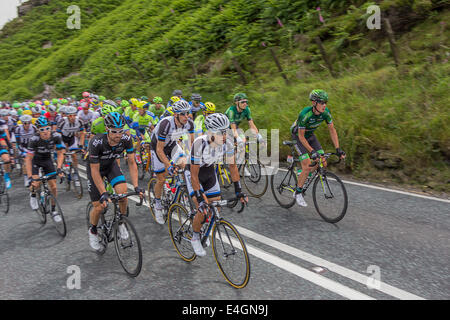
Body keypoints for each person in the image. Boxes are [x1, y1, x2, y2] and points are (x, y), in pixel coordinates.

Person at [187, 113, 247, 256]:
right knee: (203, 209)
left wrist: (239, 190)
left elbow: (232, 167)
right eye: (221, 133)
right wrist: (200, 198)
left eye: (226, 131)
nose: (225, 135)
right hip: (193, 174)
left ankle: (202, 227)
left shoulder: (228, 142)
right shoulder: (199, 144)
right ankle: (195, 237)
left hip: (208, 171)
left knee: (217, 207)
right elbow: (194, 175)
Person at [86, 112, 144, 251]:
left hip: (111, 166)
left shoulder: (126, 139)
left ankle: (122, 222)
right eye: (114, 131)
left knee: (123, 195)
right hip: (96, 170)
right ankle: (93, 231)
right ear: (106, 129)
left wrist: (136, 186)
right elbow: (95, 171)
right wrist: (104, 192)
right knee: (99, 206)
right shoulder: (96, 142)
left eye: (120, 130)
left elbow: (131, 162)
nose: (118, 134)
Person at [290, 89, 346, 207]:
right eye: (321, 102)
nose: (324, 105)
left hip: (310, 136)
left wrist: (338, 149)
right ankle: (298, 192)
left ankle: (304, 174)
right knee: (307, 164)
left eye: (325, 102)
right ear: (314, 103)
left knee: (323, 163)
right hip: (299, 137)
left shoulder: (325, 113)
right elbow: (301, 136)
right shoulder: (305, 114)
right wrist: (312, 151)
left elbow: (332, 130)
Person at [150, 100, 194, 224]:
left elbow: (192, 144)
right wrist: (168, 164)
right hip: (157, 148)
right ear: (176, 115)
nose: (187, 116)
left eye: (188, 113)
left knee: (185, 165)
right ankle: (157, 204)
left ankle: (182, 191)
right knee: (162, 179)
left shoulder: (189, 123)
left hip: (172, 145)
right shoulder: (166, 124)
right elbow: (159, 149)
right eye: (183, 114)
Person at [25, 116, 65, 221]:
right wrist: (30, 177)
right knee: (36, 183)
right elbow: (28, 159)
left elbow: (60, 153)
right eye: (42, 130)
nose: (45, 132)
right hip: (35, 161)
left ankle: (53, 210)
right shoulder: (34, 139)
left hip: (47, 160)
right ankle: (33, 195)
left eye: (47, 128)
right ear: (38, 131)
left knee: (54, 187)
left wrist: (60, 168)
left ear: (51, 128)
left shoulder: (56, 136)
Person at [56, 106, 86, 185]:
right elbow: (57, 135)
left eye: (73, 115)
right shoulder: (62, 121)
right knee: (63, 153)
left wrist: (81, 146)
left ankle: (76, 174)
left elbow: (83, 133)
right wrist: (61, 147)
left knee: (74, 156)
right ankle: (64, 167)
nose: (72, 117)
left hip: (71, 138)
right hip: (62, 138)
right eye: (70, 115)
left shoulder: (79, 121)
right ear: (66, 115)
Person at [15, 114, 37, 186]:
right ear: (22, 123)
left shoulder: (33, 128)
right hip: (23, 147)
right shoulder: (18, 129)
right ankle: (26, 177)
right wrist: (23, 151)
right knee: (25, 160)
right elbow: (18, 143)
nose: (27, 125)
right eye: (25, 123)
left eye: (29, 123)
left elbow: (37, 139)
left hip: (32, 146)